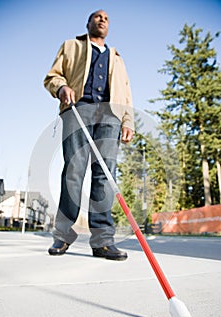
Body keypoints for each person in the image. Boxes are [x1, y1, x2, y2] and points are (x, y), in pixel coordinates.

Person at [44, 9, 134, 260]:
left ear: (109, 26)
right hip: (78, 109)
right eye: (97, 16)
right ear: (88, 23)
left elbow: (126, 94)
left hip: (110, 116)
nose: (102, 19)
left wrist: (128, 121)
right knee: (74, 171)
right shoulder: (71, 46)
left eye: (106, 18)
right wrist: (61, 87)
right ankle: (62, 236)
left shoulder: (117, 58)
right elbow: (53, 76)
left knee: (105, 175)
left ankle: (103, 241)